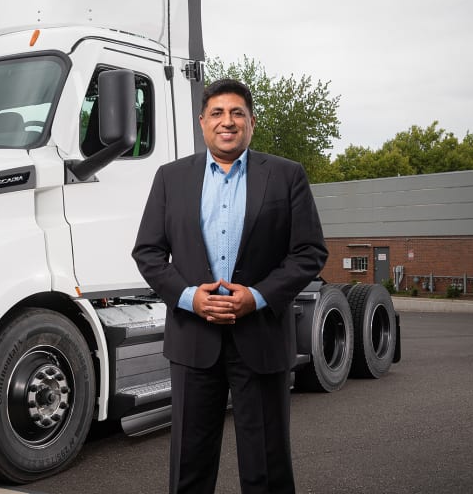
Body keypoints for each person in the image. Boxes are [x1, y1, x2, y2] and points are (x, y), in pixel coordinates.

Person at [132, 78, 328, 493]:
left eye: (237, 113)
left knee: (267, 470)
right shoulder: (170, 178)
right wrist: (190, 298)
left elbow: (309, 251)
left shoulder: (286, 176)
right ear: (202, 122)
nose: (228, 121)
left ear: (252, 122)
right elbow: (148, 252)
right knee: (189, 469)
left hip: (261, 338)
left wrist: (257, 297)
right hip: (193, 341)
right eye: (217, 113)